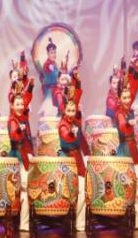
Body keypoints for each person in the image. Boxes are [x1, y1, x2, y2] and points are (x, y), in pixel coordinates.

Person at [113, 57, 138, 229]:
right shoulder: (120, 112)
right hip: (125, 151)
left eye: (128, 97)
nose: (127, 100)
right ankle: (125, 220)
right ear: (119, 98)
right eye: (124, 97)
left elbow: (133, 87)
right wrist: (129, 124)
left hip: (132, 149)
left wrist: (136, 69)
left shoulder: (127, 108)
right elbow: (122, 125)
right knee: (127, 185)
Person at [58, 98, 90, 231]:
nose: (71, 113)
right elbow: (66, 135)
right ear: (64, 111)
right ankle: (67, 222)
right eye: (69, 111)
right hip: (67, 160)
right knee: (69, 192)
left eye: (73, 111)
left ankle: (80, 223)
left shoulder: (75, 123)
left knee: (82, 190)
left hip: (78, 159)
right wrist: (72, 133)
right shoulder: (63, 125)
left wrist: (87, 154)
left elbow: (81, 141)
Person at [8, 94, 33, 231]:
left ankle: (24, 223)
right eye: (17, 104)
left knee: (25, 191)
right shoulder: (12, 120)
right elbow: (14, 135)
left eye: (22, 104)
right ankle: (19, 223)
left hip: (24, 156)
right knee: (22, 188)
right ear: (12, 106)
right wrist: (19, 129)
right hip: (17, 157)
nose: (20, 107)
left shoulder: (23, 118)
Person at [39, 37, 60, 116]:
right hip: (50, 92)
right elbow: (55, 76)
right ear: (47, 53)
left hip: (55, 91)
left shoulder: (54, 64)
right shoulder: (48, 65)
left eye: (55, 52)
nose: (54, 54)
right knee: (50, 112)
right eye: (51, 53)